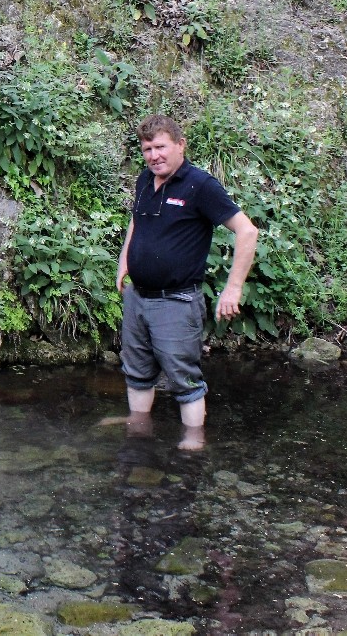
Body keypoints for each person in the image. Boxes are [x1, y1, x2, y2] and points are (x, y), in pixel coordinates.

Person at [115, 114, 258, 448]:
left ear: (180, 145)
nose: (154, 155)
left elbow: (247, 231)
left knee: (185, 380)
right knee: (136, 371)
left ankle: (193, 447)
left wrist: (233, 288)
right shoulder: (144, 180)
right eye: (147, 149)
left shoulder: (200, 185)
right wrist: (124, 261)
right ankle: (139, 434)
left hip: (177, 301)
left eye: (160, 147)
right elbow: (136, 222)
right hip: (138, 297)